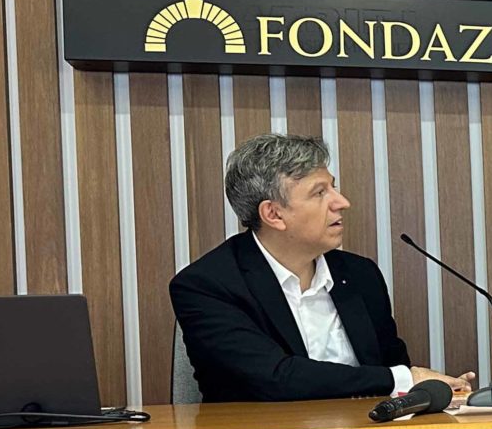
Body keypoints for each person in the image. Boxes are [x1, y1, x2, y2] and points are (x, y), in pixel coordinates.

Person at [171, 134, 472, 403]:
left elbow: (393, 375)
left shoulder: (361, 275)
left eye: (333, 187)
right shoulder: (207, 285)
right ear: (273, 214)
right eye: (319, 193)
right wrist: (402, 378)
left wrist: (436, 393)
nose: (342, 202)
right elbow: (273, 379)